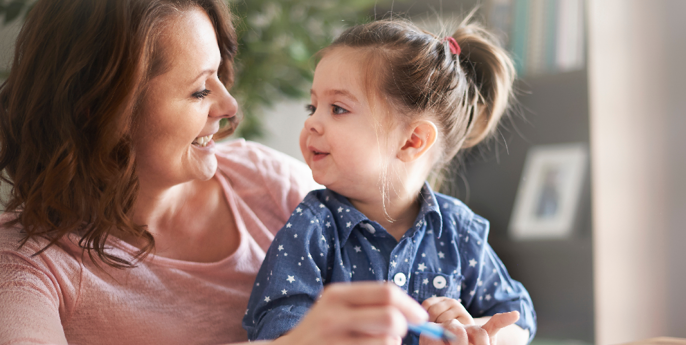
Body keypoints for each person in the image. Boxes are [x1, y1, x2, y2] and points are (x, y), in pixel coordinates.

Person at [0, 0, 468, 344]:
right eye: (200, 92)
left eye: (221, 76)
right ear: (103, 109)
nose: (229, 106)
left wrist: (459, 325)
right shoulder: (25, 267)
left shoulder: (267, 183)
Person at [243, 16, 536, 345]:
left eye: (337, 108)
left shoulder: (459, 231)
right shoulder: (312, 228)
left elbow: (518, 318)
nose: (312, 122)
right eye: (312, 106)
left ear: (412, 141)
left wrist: (473, 333)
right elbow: (274, 329)